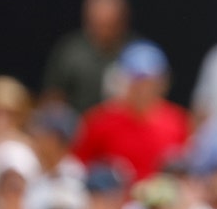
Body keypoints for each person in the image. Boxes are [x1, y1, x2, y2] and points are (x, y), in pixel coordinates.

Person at [71, 40, 190, 182]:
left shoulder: (177, 121)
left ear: (163, 83)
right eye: (136, 81)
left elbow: (184, 171)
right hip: (112, 200)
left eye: (150, 82)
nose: (143, 89)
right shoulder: (99, 121)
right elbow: (78, 168)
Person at [41, 0, 135, 114]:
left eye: (110, 25)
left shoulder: (139, 52)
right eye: (98, 24)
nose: (104, 32)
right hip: (78, 128)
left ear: (123, 20)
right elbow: (53, 97)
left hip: (127, 129)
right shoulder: (71, 51)